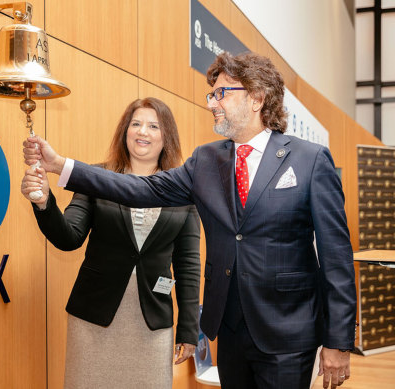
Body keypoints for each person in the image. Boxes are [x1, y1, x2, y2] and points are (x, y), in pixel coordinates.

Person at [23, 52, 357, 389]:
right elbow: (140, 189)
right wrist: (62, 166)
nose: (213, 103)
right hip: (228, 332)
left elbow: (336, 259)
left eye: (222, 93)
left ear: (257, 98)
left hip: (289, 333)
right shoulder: (207, 160)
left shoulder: (310, 160)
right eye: (211, 94)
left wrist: (339, 340)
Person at [21, 97, 201, 388]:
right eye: (136, 124)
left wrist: (189, 330)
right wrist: (44, 202)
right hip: (94, 317)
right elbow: (69, 238)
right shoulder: (96, 177)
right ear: (125, 132)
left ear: (167, 136)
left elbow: (188, 266)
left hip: (153, 320)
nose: (143, 132)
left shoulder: (183, 191)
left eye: (154, 126)